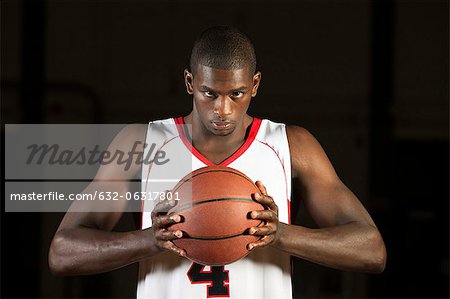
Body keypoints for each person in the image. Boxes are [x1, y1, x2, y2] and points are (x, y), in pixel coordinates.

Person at [49, 26, 386, 298]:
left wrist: (279, 234)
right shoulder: (141, 143)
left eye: (235, 94)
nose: (223, 109)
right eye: (210, 93)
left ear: (254, 85)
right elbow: (62, 253)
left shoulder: (291, 145)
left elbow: (371, 250)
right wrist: (149, 239)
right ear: (190, 82)